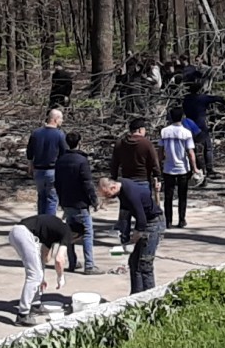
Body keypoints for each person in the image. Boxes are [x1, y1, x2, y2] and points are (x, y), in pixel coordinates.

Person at [8, 212, 75, 325]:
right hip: (24, 234)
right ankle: (22, 315)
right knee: (34, 275)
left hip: (16, 232)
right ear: (76, 235)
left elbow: (44, 258)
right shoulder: (67, 232)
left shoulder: (55, 230)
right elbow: (59, 259)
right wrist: (60, 277)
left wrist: (42, 278)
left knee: (37, 273)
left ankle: (35, 305)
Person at [109, 117, 162, 252]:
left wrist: (113, 178)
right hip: (142, 181)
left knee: (125, 211)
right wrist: (157, 176)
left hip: (125, 182)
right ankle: (144, 237)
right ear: (140, 130)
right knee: (143, 212)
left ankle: (124, 239)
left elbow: (114, 163)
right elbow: (154, 162)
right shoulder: (146, 144)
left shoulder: (120, 143)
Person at [108, 175, 165, 295]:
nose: (107, 197)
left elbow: (141, 221)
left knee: (144, 264)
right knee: (134, 262)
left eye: (107, 194)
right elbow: (124, 215)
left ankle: (150, 298)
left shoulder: (130, 193)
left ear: (113, 187)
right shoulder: (121, 188)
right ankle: (136, 296)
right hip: (146, 222)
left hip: (153, 223)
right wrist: (125, 238)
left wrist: (134, 240)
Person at [56, 129, 100, 273]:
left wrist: (61, 199)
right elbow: (87, 183)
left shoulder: (60, 160)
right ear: (79, 143)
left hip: (67, 201)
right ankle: (89, 265)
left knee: (70, 232)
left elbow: (57, 183)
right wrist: (94, 200)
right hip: (80, 203)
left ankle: (72, 262)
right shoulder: (82, 161)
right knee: (87, 233)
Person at [157, 113, 196, 227]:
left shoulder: (164, 132)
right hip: (183, 168)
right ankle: (181, 220)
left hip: (168, 168)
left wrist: (158, 165)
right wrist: (195, 168)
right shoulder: (186, 133)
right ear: (182, 117)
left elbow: (160, 151)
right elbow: (190, 152)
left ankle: (168, 221)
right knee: (182, 195)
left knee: (168, 196)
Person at [26, 108, 67, 218]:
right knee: (52, 198)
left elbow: (29, 151)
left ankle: (41, 220)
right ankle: (49, 222)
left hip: (38, 170)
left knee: (41, 197)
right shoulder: (60, 135)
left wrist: (30, 165)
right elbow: (64, 153)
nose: (62, 121)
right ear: (55, 119)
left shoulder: (36, 133)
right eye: (61, 118)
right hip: (52, 170)